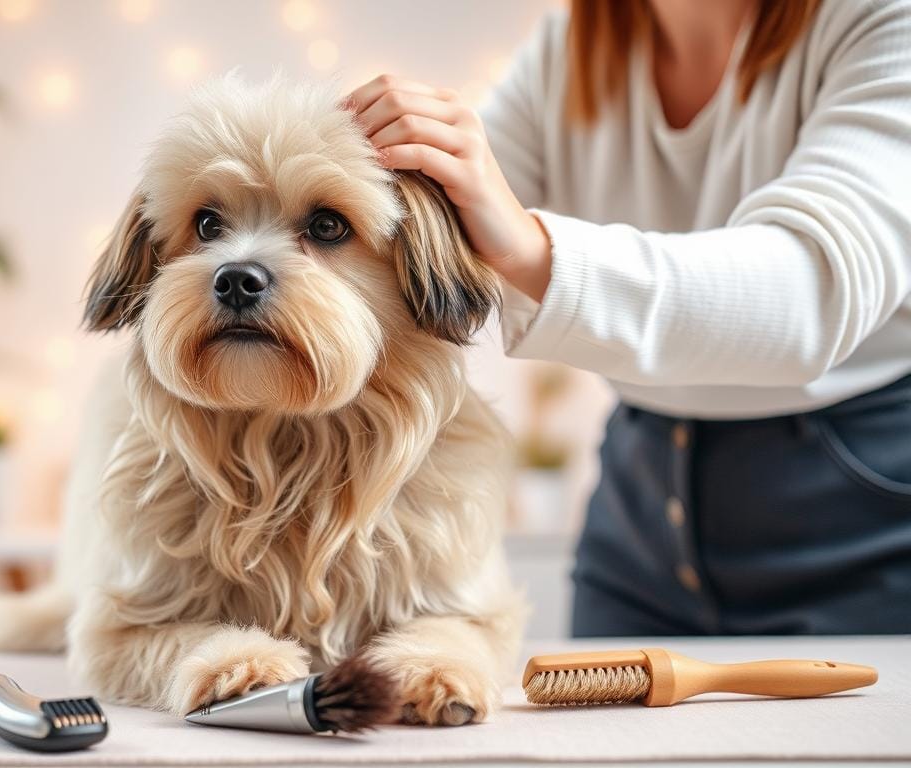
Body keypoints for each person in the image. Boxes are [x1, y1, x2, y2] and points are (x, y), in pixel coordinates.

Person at [347, 0, 911, 635]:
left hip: (862, 503)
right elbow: (432, 228)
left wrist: (527, 246)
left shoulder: (884, 21)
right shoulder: (570, 48)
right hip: (639, 505)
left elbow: (813, 292)